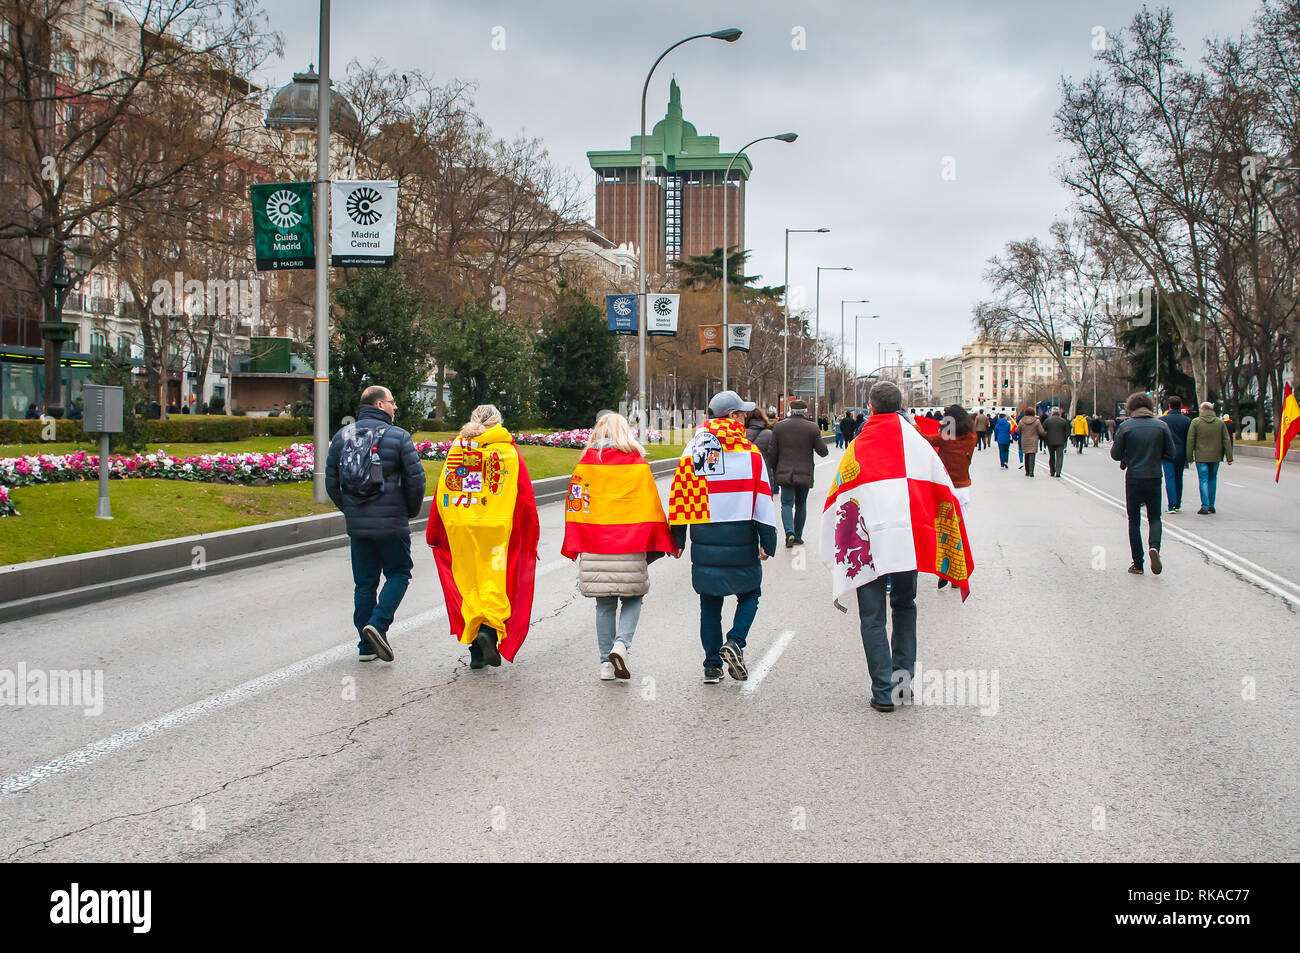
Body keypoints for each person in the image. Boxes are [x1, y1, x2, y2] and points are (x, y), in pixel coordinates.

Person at [824, 381, 973, 712]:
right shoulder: (918, 444)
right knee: (905, 606)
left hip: (870, 543)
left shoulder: (859, 446)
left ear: (871, 408)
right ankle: (902, 687)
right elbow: (940, 490)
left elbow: (841, 495)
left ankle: (882, 691)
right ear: (901, 406)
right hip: (907, 544)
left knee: (872, 616)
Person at [668, 390, 779, 684]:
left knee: (710, 602)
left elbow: (680, 495)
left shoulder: (694, 449)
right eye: (742, 414)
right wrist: (768, 541)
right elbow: (762, 500)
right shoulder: (750, 453)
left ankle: (712, 666)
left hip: (705, 535)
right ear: (732, 417)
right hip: (742, 534)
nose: (745, 418)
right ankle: (736, 641)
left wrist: (677, 539)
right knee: (751, 593)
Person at [562, 412, 677, 681]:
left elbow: (575, 508)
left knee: (604, 606)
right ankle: (621, 645)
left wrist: (575, 542)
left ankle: (605, 663)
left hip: (595, 545)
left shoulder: (585, 466)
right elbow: (651, 508)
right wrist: (663, 541)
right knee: (633, 597)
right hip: (630, 545)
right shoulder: (637, 466)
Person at [426, 404, 540, 668]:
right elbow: (524, 500)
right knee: (495, 582)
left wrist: (435, 530)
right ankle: (489, 630)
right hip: (497, 532)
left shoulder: (459, 449)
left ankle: (475, 651)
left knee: (467, 585)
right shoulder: (508, 453)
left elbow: (442, 494)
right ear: (498, 422)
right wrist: (531, 537)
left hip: (460, 530)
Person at [325, 385, 427, 662]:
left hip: (358, 525)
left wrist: (350, 509)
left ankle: (365, 646)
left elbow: (331, 482)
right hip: (392, 522)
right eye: (392, 403)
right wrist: (409, 511)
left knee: (365, 583)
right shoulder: (398, 436)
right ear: (380, 404)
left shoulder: (342, 436)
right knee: (399, 573)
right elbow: (416, 480)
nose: (395, 408)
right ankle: (379, 625)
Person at [1111, 392, 1174, 575]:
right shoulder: (1161, 426)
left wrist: (1127, 456)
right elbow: (1171, 453)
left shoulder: (1126, 427)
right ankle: (1154, 547)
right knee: (1154, 517)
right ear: (1149, 406)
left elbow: (1115, 454)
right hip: (1154, 476)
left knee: (1134, 520)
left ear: (1131, 407)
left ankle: (1138, 563)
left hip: (1134, 478)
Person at [769, 398, 829, 547]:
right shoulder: (812, 428)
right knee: (801, 504)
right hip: (805, 472)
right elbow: (823, 452)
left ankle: (789, 532)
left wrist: (773, 469)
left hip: (785, 471)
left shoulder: (779, 427)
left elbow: (772, 452)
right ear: (805, 411)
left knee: (786, 504)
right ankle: (798, 536)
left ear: (790, 410)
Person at [1187, 401, 1233, 514]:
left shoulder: (1196, 422)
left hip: (1201, 457)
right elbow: (1226, 440)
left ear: (1202, 410)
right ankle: (1212, 505)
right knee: (1212, 479)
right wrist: (1229, 457)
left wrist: (1189, 457)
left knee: (1203, 480)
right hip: (1216, 456)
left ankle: (1205, 505)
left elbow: (1190, 440)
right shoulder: (1220, 423)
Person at [1160, 397, 1192, 513]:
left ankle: (1172, 504)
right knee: (1179, 477)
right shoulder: (1186, 421)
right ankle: (1178, 503)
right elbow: (1189, 438)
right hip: (1181, 452)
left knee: (1169, 478)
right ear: (1180, 405)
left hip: (1167, 453)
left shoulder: (1162, 420)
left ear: (1169, 405)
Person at [745, 407, 775, 479]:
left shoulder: (741, 433)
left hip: (745, 473)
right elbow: (773, 455)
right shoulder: (769, 434)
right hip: (763, 473)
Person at [1017, 407, 1047, 477]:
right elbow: (1041, 431)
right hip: (1034, 440)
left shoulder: (1021, 421)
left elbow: (1017, 431)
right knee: (1032, 456)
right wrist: (1045, 434)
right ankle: (1031, 471)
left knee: (1026, 455)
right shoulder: (1037, 421)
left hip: (1024, 439)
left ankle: (1027, 471)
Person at [1042, 407, 1071, 477]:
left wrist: (1045, 439)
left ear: (1052, 413)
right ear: (1059, 413)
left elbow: (1043, 431)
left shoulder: (1047, 420)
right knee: (1060, 457)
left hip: (1050, 442)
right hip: (1060, 442)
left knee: (1052, 456)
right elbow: (1067, 432)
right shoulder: (1063, 421)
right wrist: (1064, 439)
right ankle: (1058, 472)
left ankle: (1052, 471)